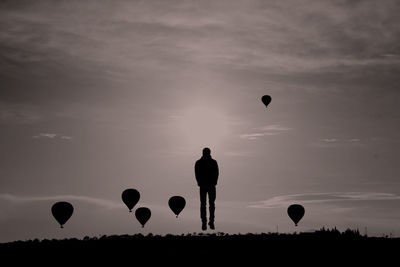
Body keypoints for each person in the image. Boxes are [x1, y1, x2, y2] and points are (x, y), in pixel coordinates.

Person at [195, 147, 219, 230]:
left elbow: (197, 173)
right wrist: (215, 182)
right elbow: (216, 173)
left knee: (204, 204)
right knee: (210, 204)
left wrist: (199, 182)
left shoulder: (199, 162)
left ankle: (206, 222)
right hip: (209, 185)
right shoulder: (213, 162)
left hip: (205, 185)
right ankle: (209, 222)